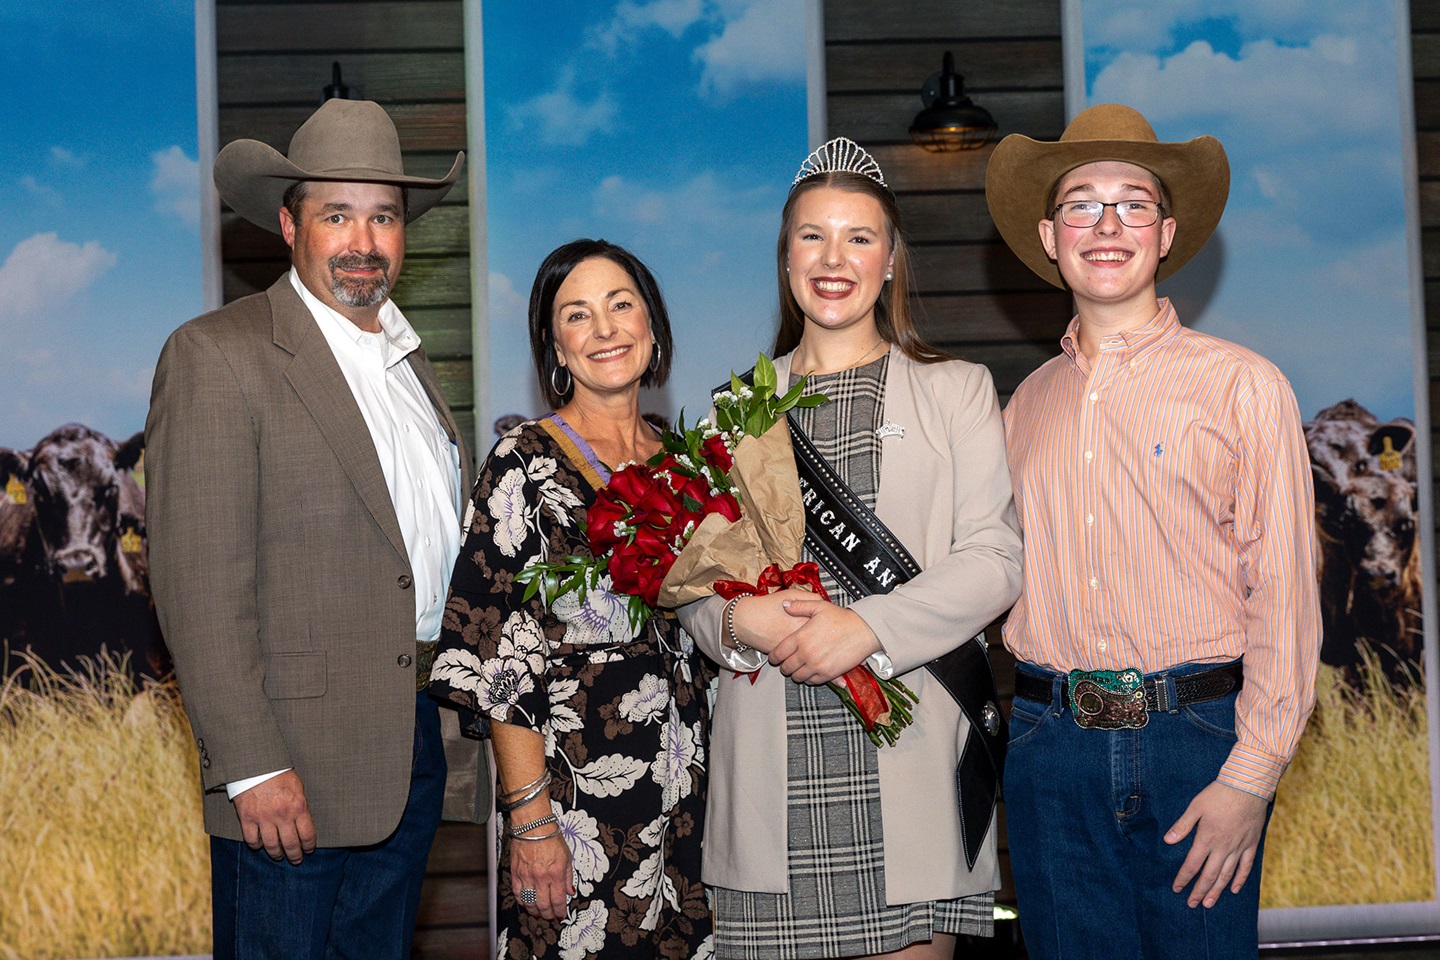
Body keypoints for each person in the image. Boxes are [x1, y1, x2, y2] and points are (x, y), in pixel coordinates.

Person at [146, 98, 489, 959]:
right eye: (338, 214)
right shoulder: (217, 354)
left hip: (411, 749)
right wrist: (252, 766)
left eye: (383, 216)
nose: (363, 241)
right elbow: (197, 585)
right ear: (289, 223)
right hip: (288, 767)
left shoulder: (413, 370)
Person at [985, 103, 1321, 959]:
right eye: (1081, 205)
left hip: (1194, 743)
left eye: (1133, 204)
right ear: (1049, 235)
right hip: (1047, 747)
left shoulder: (1244, 387)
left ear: (1165, 233)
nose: (1108, 226)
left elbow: (1283, 593)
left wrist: (1251, 776)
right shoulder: (1024, 408)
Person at [678, 139, 1024, 960]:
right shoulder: (735, 410)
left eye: (859, 238)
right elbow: (691, 591)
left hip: (907, 763)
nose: (835, 259)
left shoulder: (956, 390)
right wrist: (736, 623)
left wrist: (864, 629)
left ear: (892, 260)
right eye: (812, 236)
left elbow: (996, 560)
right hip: (772, 773)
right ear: (785, 257)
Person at [428, 239, 714, 960]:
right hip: (578, 816)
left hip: (694, 810)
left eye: (622, 305)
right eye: (579, 315)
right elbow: (497, 664)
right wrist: (531, 823)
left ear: (652, 329)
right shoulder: (521, 465)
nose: (607, 328)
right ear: (556, 348)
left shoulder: (689, 466)